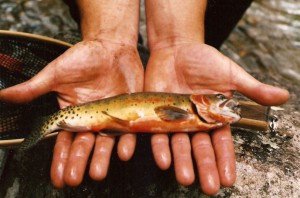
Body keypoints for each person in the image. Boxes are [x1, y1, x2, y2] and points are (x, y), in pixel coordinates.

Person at [0, 0, 289, 195]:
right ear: (201, 101)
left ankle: (185, 42)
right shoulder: (189, 112)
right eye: (216, 98)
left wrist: (180, 37)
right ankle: (128, 45)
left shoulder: (191, 112)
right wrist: (108, 33)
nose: (222, 102)